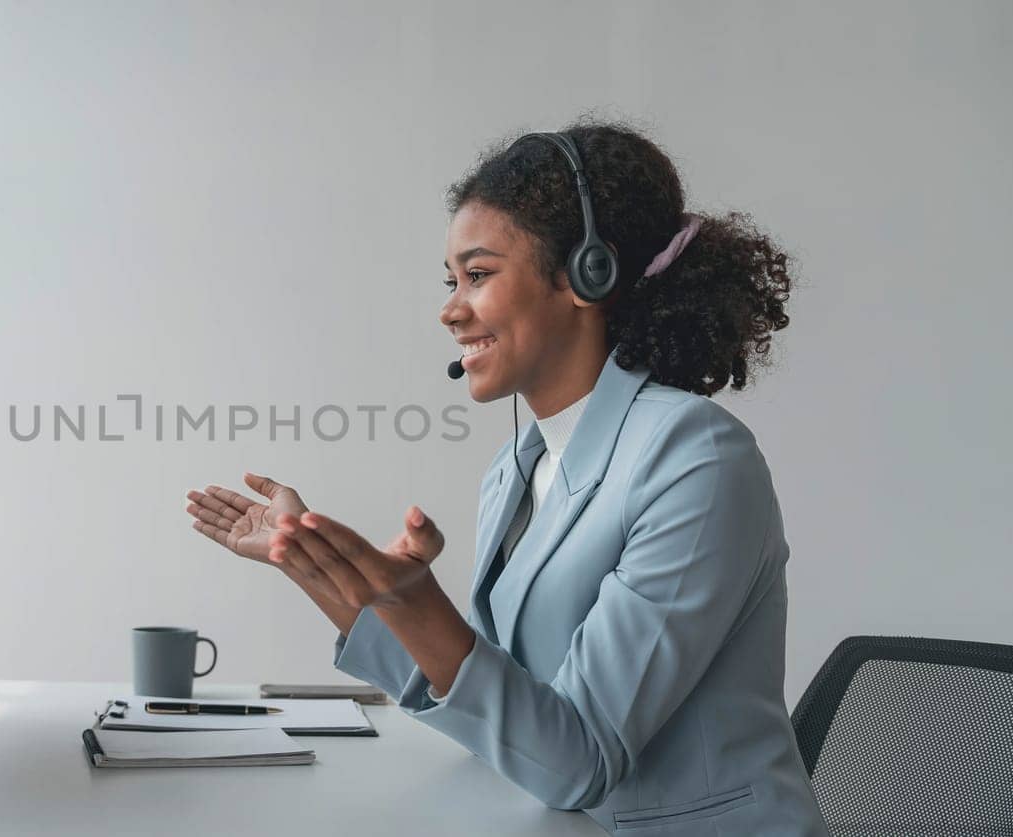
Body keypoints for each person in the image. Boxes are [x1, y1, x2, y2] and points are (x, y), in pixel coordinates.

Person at [184, 123, 829, 835]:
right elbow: (503, 719)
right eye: (450, 280)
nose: (450, 309)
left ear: (587, 275)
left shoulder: (696, 460)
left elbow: (580, 757)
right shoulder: (517, 468)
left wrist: (417, 601)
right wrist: (319, 568)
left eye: (479, 275)